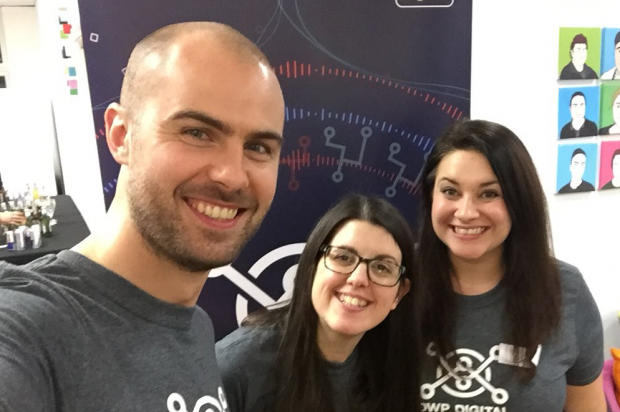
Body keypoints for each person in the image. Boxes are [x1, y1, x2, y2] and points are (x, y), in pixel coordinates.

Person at [0, 21, 285, 411]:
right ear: (121, 135)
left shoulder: (194, 325)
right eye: (197, 133)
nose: (233, 175)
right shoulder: (27, 329)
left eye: (258, 146)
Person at [416, 120, 605, 411]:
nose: (465, 212)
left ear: (519, 201)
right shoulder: (391, 278)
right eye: (450, 191)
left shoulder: (567, 291)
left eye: (489, 193)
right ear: (431, 196)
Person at [216, 194, 419, 412]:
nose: (358, 279)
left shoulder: (392, 369)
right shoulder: (235, 368)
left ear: (399, 294)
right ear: (312, 267)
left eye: (381, 267)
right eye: (343, 257)